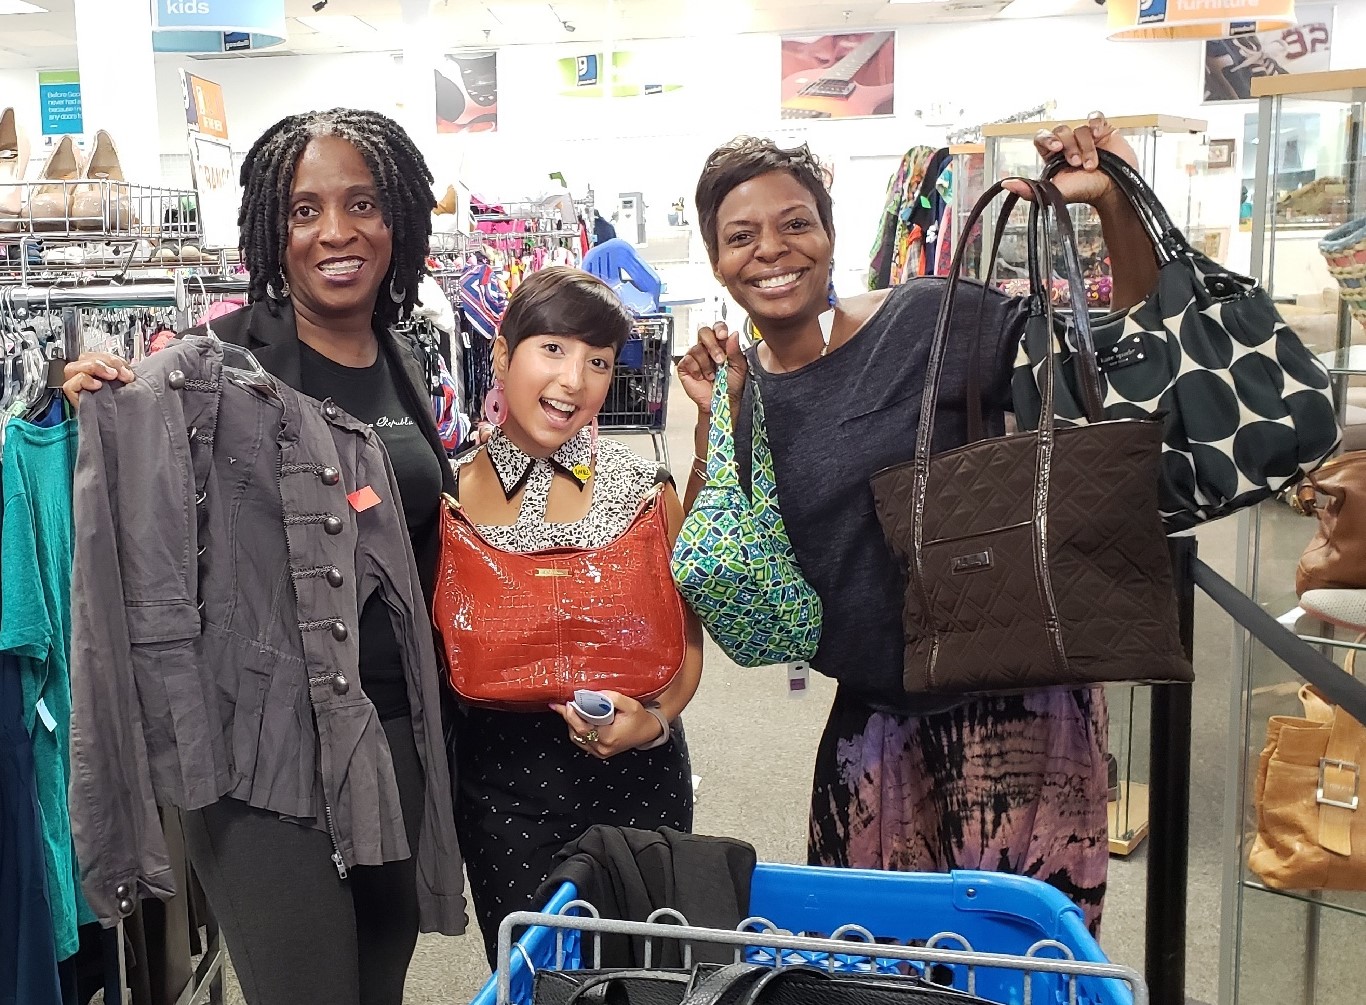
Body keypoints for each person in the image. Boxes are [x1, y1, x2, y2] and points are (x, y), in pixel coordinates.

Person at [677, 115, 1158, 935]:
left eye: (796, 223)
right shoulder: (741, 392)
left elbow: (1115, 357)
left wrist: (1111, 203)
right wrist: (711, 421)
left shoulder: (928, 318)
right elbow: (716, 552)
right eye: (741, 235)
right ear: (717, 259)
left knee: (1022, 960)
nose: (772, 250)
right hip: (876, 717)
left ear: (830, 234)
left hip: (1018, 700)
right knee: (872, 966)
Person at [61, 108, 462, 1005]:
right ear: (269, 231)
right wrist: (91, 408)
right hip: (262, 751)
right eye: (304, 209)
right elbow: (133, 522)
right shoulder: (210, 366)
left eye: (362, 203)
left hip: (396, 729)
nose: (337, 231)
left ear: (398, 215)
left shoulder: (401, 354)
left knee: (379, 978)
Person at [451, 265, 703, 965]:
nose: (573, 381)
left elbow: (684, 646)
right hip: (504, 785)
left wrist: (651, 722)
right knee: (532, 971)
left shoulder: (643, 490)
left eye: (597, 361)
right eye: (552, 349)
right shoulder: (448, 498)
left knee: (645, 973)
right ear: (502, 353)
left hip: (637, 775)